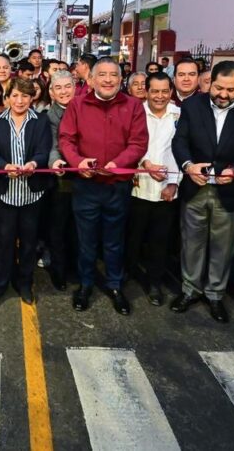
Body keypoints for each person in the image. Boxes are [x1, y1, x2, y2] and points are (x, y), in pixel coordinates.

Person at [171, 60, 234, 322]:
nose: (223, 94)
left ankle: (215, 294)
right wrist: (188, 166)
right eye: (218, 88)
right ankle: (190, 290)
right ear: (210, 83)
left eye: (231, 90)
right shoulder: (192, 105)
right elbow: (180, 141)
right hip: (196, 187)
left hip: (230, 190)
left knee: (223, 247)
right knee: (191, 243)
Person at [59, 58, 149, 315]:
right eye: (102, 75)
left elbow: (138, 143)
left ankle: (115, 285)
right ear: (92, 80)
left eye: (113, 75)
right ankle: (85, 284)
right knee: (86, 241)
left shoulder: (133, 106)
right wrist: (78, 162)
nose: (108, 80)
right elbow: (66, 139)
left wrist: (117, 164)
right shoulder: (77, 105)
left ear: (121, 80)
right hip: (86, 186)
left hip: (117, 186)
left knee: (114, 240)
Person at [0, 78, 52, 307]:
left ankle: (25, 283)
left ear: (32, 98)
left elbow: (44, 150)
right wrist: (4, 166)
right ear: (7, 97)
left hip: (31, 194)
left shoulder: (41, 121)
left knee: (29, 243)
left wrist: (34, 163)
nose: (20, 100)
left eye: (25, 96)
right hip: (5, 193)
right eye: (15, 95)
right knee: (3, 242)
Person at [128, 72, 180, 306]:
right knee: (133, 236)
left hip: (166, 190)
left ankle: (154, 283)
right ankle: (127, 274)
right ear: (146, 92)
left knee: (160, 241)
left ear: (171, 92)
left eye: (164, 91)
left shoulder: (180, 115)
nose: (159, 96)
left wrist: (174, 183)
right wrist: (145, 164)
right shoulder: (135, 112)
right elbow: (129, 144)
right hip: (137, 187)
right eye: (155, 91)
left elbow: (183, 150)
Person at [46, 70, 78, 290]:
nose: (64, 91)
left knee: (78, 229)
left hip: (85, 179)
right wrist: (54, 161)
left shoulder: (84, 109)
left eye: (68, 86)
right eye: (58, 88)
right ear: (51, 92)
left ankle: (76, 267)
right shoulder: (49, 116)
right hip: (60, 181)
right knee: (58, 228)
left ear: (75, 88)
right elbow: (52, 146)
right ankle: (58, 270)